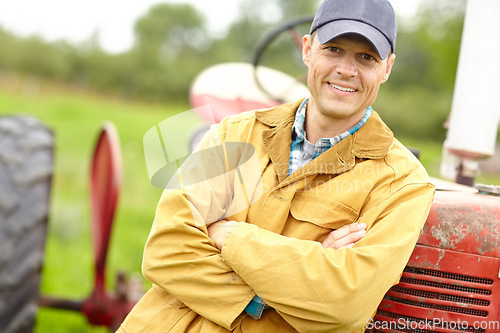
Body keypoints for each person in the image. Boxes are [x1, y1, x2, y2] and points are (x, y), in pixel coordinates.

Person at [118, 0, 435, 331]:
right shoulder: (234, 132)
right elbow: (166, 248)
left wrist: (229, 237)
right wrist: (288, 282)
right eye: (334, 49)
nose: (346, 69)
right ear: (308, 49)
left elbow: (342, 304)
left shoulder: (403, 184)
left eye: (366, 57)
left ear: (387, 68)